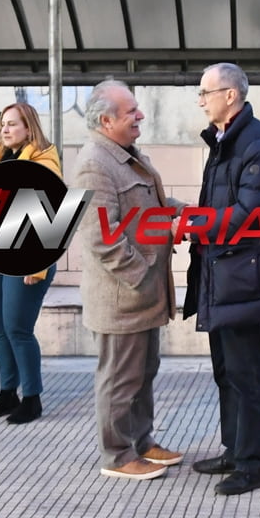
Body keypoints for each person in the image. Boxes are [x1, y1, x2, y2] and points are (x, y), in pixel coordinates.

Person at [186, 63, 260, 497]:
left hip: (245, 277)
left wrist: (194, 225)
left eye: (205, 92)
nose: (200, 101)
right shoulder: (224, 140)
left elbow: (250, 213)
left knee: (246, 375)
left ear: (230, 95)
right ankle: (234, 450)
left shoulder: (255, 142)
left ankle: (254, 464)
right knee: (226, 371)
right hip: (223, 275)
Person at [74, 81, 184, 482]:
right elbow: (100, 236)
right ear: (106, 121)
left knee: (143, 372)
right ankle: (117, 455)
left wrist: (185, 213)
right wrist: (141, 273)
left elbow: (150, 206)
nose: (140, 116)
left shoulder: (125, 154)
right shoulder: (94, 164)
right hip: (122, 297)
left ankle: (142, 441)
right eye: (131, 112)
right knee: (119, 379)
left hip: (143, 295)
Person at [0, 102, 61, 425]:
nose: (5, 129)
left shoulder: (44, 162)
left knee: (17, 328)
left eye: (12, 124)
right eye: (3, 124)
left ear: (29, 128)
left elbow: (51, 218)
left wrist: (37, 266)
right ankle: (7, 391)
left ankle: (32, 398)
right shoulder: (0, 159)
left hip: (27, 258)